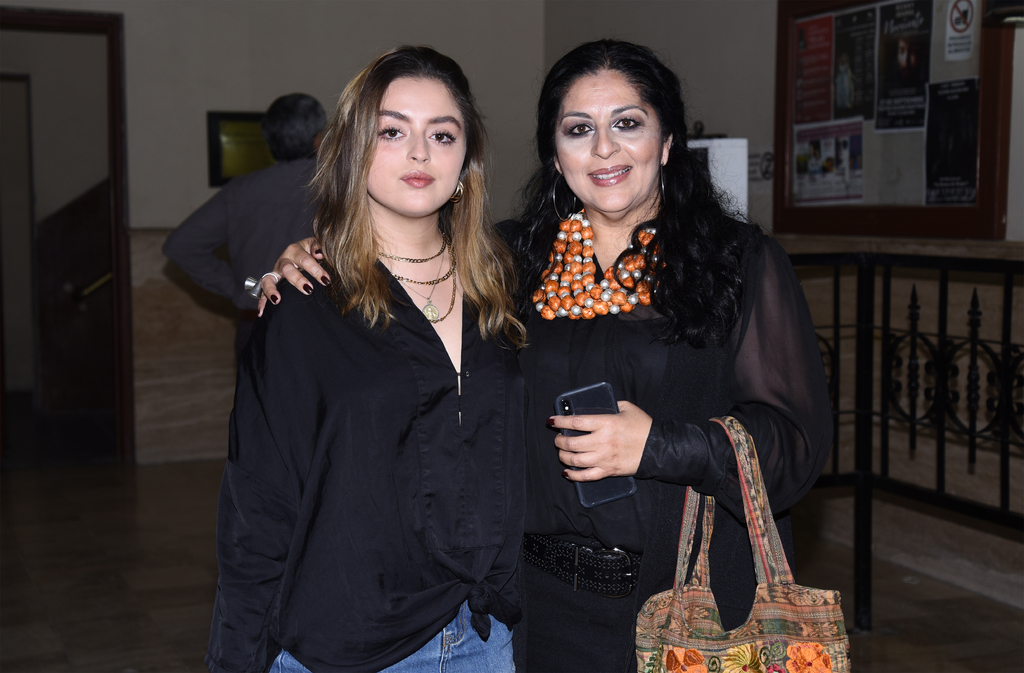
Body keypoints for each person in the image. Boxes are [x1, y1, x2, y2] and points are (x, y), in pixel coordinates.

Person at [260, 40, 832, 673]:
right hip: (538, 612)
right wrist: (316, 255)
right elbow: (404, 257)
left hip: (691, 607)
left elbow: (796, 446)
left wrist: (659, 446)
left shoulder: (737, 264)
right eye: (579, 129)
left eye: (628, 123)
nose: (604, 149)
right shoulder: (506, 265)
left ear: (667, 142)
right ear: (556, 155)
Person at [207, 46, 526, 673]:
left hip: (487, 638)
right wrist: (235, 658)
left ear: (466, 161)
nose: (419, 153)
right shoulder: (303, 304)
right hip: (349, 645)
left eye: (442, 134)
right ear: (353, 151)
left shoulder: (509, 286)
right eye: (392, 131)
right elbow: (257, 507)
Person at [163, 93, 325, 356]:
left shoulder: (240, 191)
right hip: (325, 328)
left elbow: (180, 245)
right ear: (319, 138)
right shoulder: (338, 187)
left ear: (269, 141)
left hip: (257, 326)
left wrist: (246, 288)